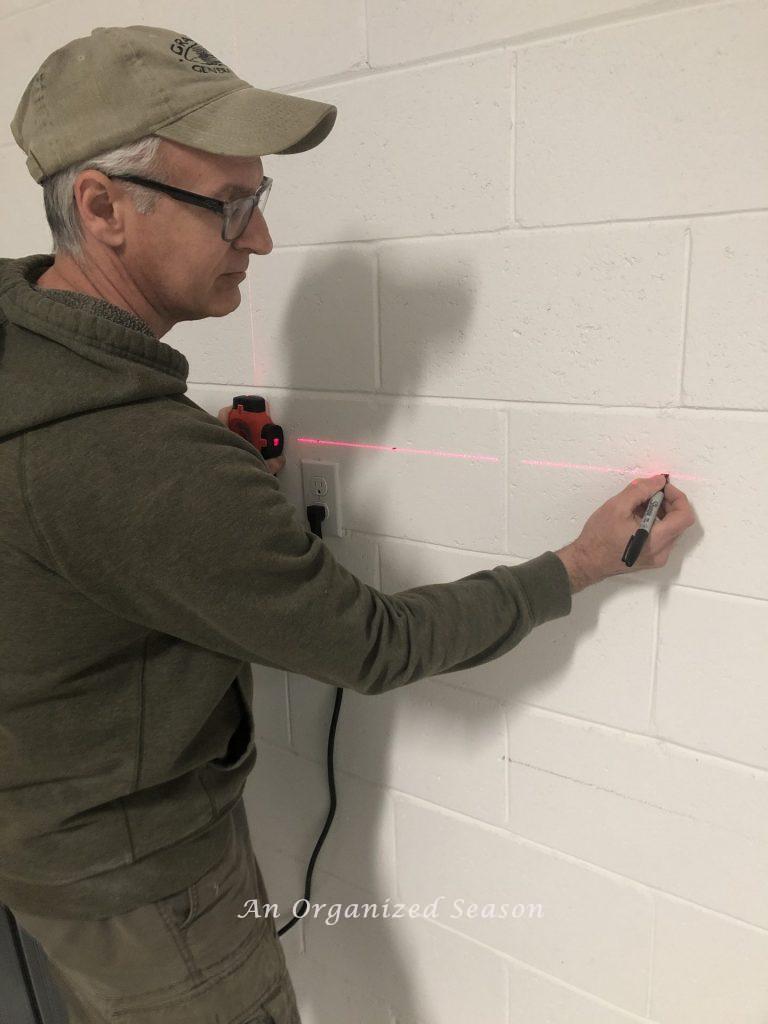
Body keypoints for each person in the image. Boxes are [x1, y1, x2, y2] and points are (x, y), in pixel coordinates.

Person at [0, 24, 695, 1024]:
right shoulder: (149, 464)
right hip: (147, 896)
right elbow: (374, 644)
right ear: (103, 207)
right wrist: (580, 562)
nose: (262, 238)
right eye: (230, 205)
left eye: (260, 198)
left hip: (44, 846)